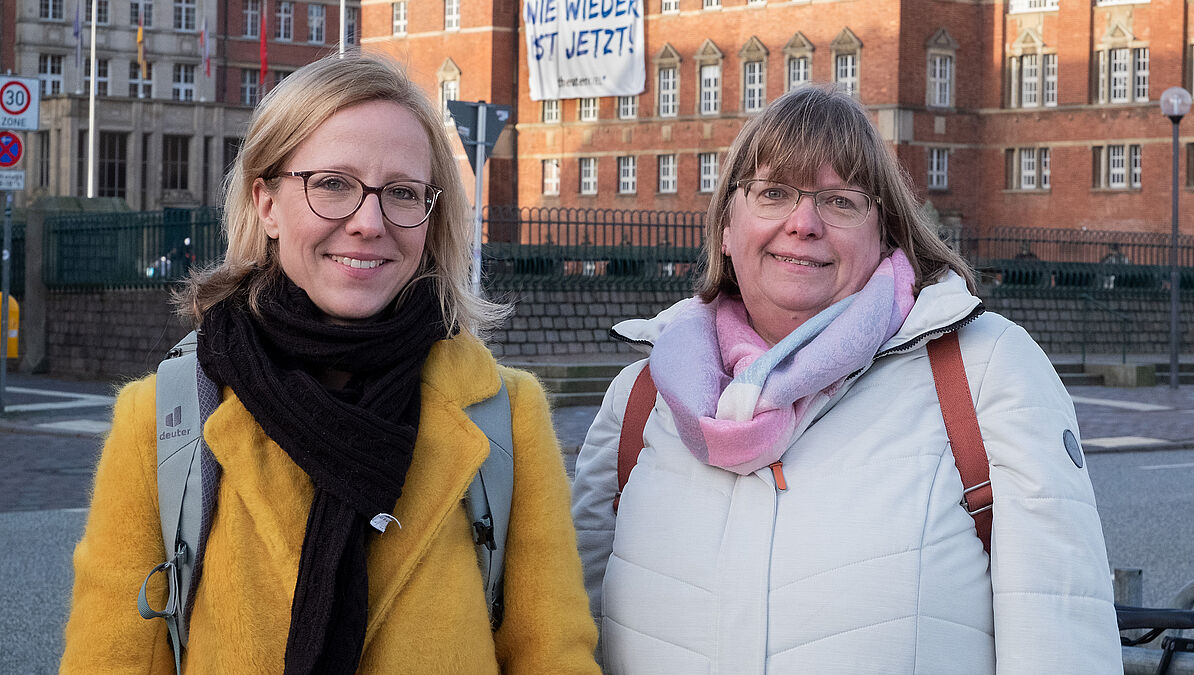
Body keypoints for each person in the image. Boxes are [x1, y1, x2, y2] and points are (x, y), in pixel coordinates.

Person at [62, 53, 599, 674]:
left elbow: (553, 656)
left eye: (401, 192)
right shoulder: (163, 420)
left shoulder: (503, 415)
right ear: (266, 203)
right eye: (333, 184)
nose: (368, 222)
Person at [572, 85, 1121, 673]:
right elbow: (573, 636)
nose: (803, 223)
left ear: (883, 232)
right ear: (726, 228)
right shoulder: (640, 397)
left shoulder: (986, 374)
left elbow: (1060, 633)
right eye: (773, 193)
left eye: (839, 202)